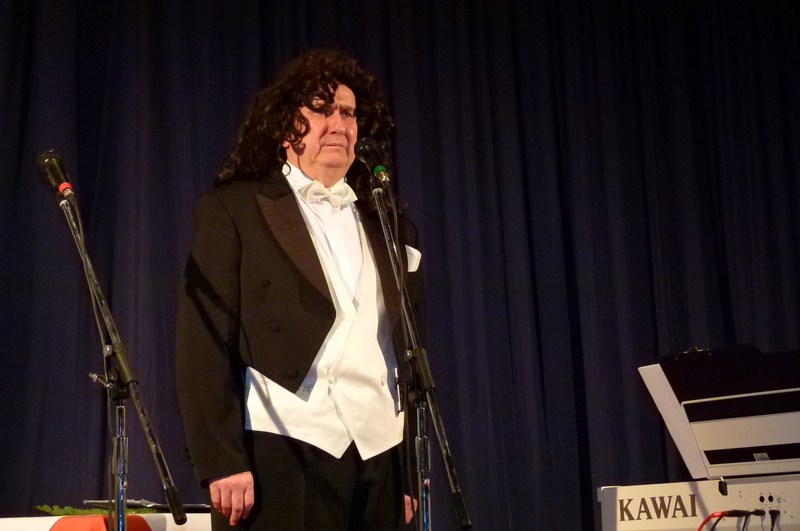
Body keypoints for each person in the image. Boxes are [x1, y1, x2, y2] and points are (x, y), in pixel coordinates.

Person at [175, 49, 425, 530]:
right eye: (321, 109)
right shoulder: (236, 209)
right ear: (285, 125)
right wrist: (221, 458)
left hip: (381, 451)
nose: (338, 124)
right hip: (282, 444)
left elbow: (413, 353)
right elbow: (202, 342)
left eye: (348, 113)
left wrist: (410, 472)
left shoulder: (390, 225)